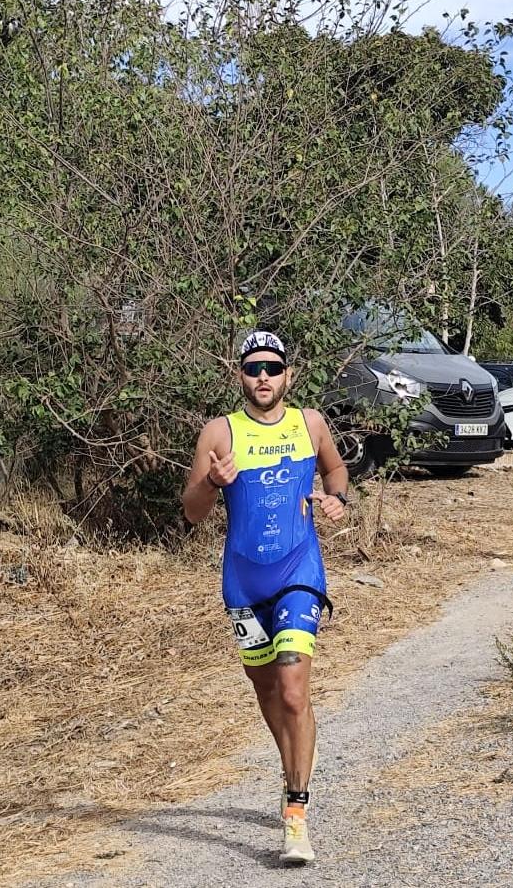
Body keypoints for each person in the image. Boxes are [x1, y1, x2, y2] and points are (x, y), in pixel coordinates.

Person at [182, 331, 349, 865]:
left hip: (299, 569)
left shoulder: (310, 423)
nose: (263, 377)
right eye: (253, 368)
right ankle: (292, 765)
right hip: (243, 581)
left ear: (287, 376)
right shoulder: (219, 432)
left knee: (294, 689)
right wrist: (212, 482)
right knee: (268, 691)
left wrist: (338, 498)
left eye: (272, 368)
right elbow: (192, 513)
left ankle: (296, 813)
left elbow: (336, 469)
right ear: (240, 375)